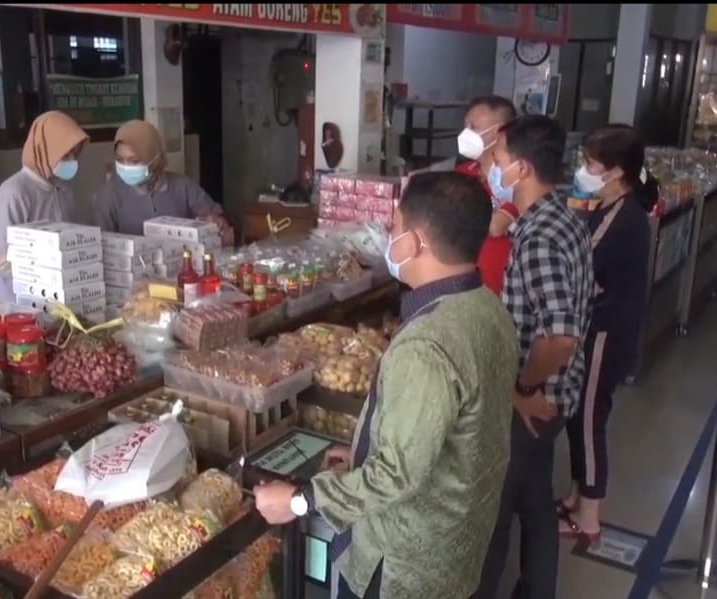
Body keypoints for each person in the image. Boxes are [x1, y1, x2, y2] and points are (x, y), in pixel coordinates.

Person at [254, 172, 519, 599]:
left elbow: (395, 476)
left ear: (414, 243)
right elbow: (455, 426)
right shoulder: (488, 308)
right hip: (459, 538)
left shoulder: (425, 346)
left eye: (394, 228)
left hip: (405, 560)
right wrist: (365, 446)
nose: (388, 237)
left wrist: (299, 500)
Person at [475, 115, 593, 599]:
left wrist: (522, 387)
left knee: (494, 514)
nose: (491, 167)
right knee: (536, 504)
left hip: (535, 401)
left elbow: (561, 336)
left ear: (521, 168)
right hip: (556, 396)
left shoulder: (540, 235)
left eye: (498, 159)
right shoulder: (559, 217)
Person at [556, 124, 654, 543]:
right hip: (596, 328)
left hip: (605, 333)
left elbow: (585, 267)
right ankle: (577, 496)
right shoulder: (606, 205)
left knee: (590, 418)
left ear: (616, 172)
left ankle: (590, 517)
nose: (584, 170)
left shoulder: (626, 219)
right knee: (579, 416)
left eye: (591, 164)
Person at [0, 111, 89, 303]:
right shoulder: (13, 194)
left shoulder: (62, 190)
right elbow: (1, 263)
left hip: (59, 303)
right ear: (44, 149)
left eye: (74, 154)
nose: (71, 161)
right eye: (65, 154)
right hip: (21, 307)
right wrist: (50, 266)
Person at [93, 120, 232, 243]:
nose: (126, 166)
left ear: (155, 158)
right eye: (119, 159)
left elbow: (217, 218)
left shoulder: (183, 186)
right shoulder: (109, 195)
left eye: (134, 161)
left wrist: (216, 221)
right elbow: (101, 244)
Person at [454, 95, 522, 294]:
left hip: (504, 288)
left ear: (500, 131)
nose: (466, 133)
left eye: (474, 127)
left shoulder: (516, 180)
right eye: (465, 125)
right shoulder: (462, 174)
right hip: (465, 286)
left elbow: (496, 227)